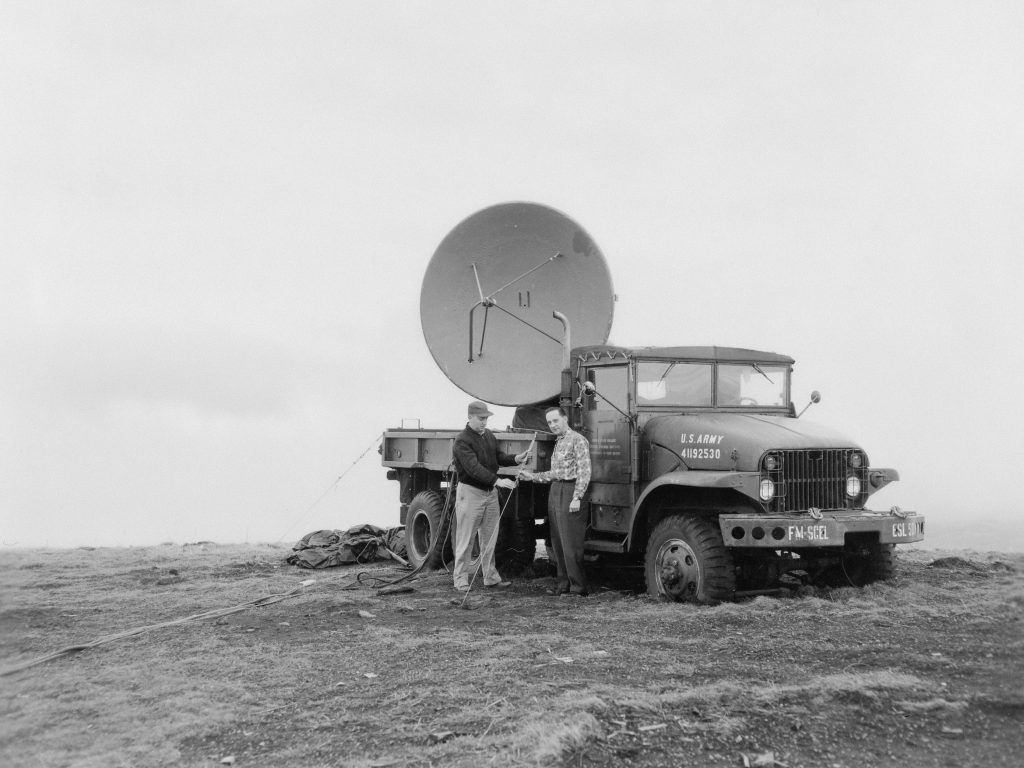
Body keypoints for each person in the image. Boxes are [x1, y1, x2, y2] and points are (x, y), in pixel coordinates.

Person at [451, 400, 531, 592]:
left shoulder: (488, 435)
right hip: (470, 493)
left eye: (486, 418)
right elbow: (473, 468)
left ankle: (491, 577)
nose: (484, 422)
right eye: (481, 419)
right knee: (466, 538)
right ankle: (460, 579)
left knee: (490, 537)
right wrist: (497, 481)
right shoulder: (462, 440)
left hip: (489, 494)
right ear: (470, 417)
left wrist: (515, 459)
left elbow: (498, 457)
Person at [521, 406, 592, 596]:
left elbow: (584, 472)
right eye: (549, 422)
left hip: (571, 491)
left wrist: (577, 497)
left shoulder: (578, 440)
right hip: (556, 490)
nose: (553, 425)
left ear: (565, 419)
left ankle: (578, 588)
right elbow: (555, 473)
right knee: (557, 541)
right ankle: (563, 585)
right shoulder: (559, 442)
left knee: (571, 543)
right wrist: (532, 477)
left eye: (555, 421)